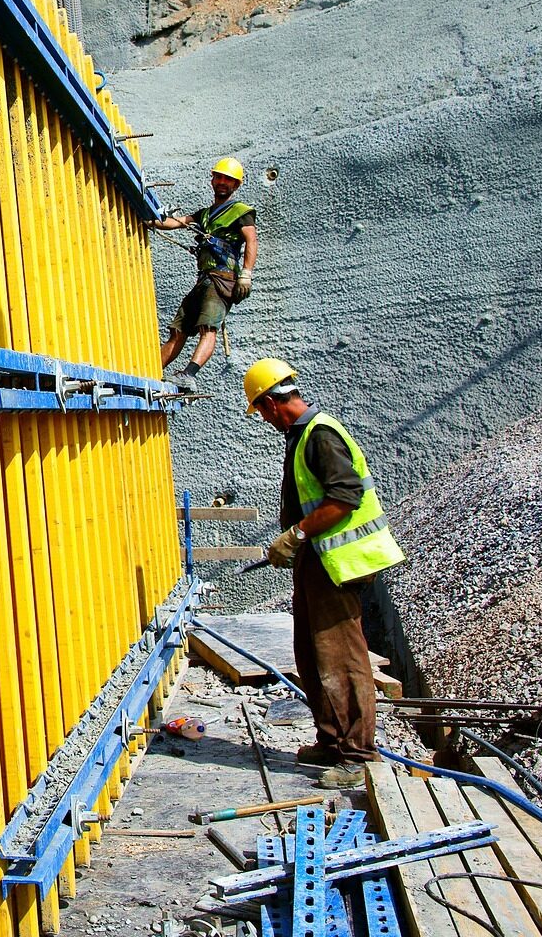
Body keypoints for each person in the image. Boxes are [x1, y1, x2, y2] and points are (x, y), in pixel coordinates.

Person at [242, 357, 408, 790]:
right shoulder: (302, 436)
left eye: (261, 412)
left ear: (271, 403)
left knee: (343, 660)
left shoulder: (320, 436)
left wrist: (295, 534)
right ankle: (333, 741)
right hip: (317, 564)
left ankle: (357, 756)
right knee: (312, 655)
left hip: (337, 566)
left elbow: (345, 497)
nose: (264, 419)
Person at [147, 157, 257, 391]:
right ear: (212, 180)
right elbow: (176, 223)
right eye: (219, 177)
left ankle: (189, 375)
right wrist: (150, 220)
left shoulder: (241, 212)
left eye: (228, 179)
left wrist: (246, 274)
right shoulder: (205, 214)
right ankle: (150, 373)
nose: (222, 182)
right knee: (178, 330)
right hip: (205, 279)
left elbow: (251, 241)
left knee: (208, 327)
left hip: (223, 279)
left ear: (236, 185)